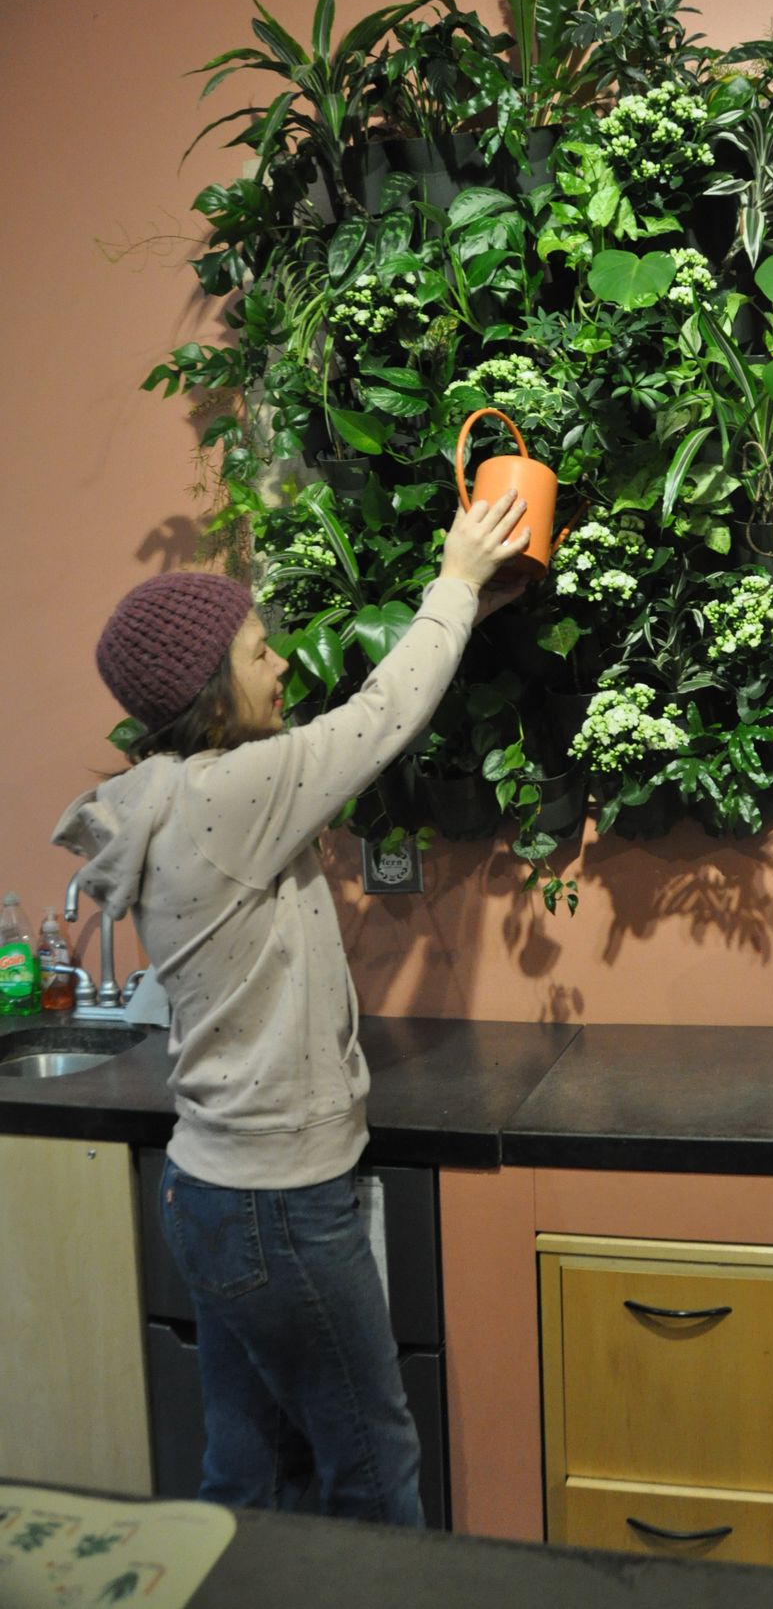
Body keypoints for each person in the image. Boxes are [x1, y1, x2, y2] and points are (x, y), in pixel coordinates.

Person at [51, 491, 530, 1523]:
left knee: (251, 1472)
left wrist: (470, 609)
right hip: (277, 1204)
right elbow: (375, 722)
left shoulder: (175, 793)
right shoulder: (236, 793)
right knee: (374, 1468)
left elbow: (370, 707)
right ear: (209, 686)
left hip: (217, 1194)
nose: (280, 667)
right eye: (259, 650)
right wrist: (455, 575)